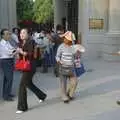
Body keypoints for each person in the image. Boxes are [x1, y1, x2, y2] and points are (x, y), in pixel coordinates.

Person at [16, 28, 47, 114]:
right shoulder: (21, 42)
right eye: (20, 33)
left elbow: (29, 54)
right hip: (24, 66)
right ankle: (42, 96)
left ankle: (22, 107)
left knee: (22, 85)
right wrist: (17, 52)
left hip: (30, 66)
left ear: (28, 34)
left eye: (23, 33)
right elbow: (21, 54)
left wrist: (21, 52)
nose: (21, 34)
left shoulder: (31, 41)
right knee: (28, 84)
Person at [56, 31, 78, 103]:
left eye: (69, 40)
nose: (67, 40)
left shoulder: (73, 47)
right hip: (63, 68)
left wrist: (78, 53)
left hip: (71, 68)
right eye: (66, 39)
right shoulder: (61, 46)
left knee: (74, 82)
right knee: (63, 84)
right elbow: (57, 56)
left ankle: (70, 94)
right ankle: (64, 96)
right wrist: (59, 61)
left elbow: (75, 57)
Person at [0, 29, 17, 101]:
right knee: (9, 78)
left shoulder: (7, 42)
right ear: (2, 35)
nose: (9, 35)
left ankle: (6, 93)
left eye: (9, 34)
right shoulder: (2, 43)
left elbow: (12, 48)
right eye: (7, 34)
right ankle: (6, 96)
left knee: (7, 78)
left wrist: (15, 50)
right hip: (5, 61)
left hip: (9, 60)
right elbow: (9, 52)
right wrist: (16, 51)